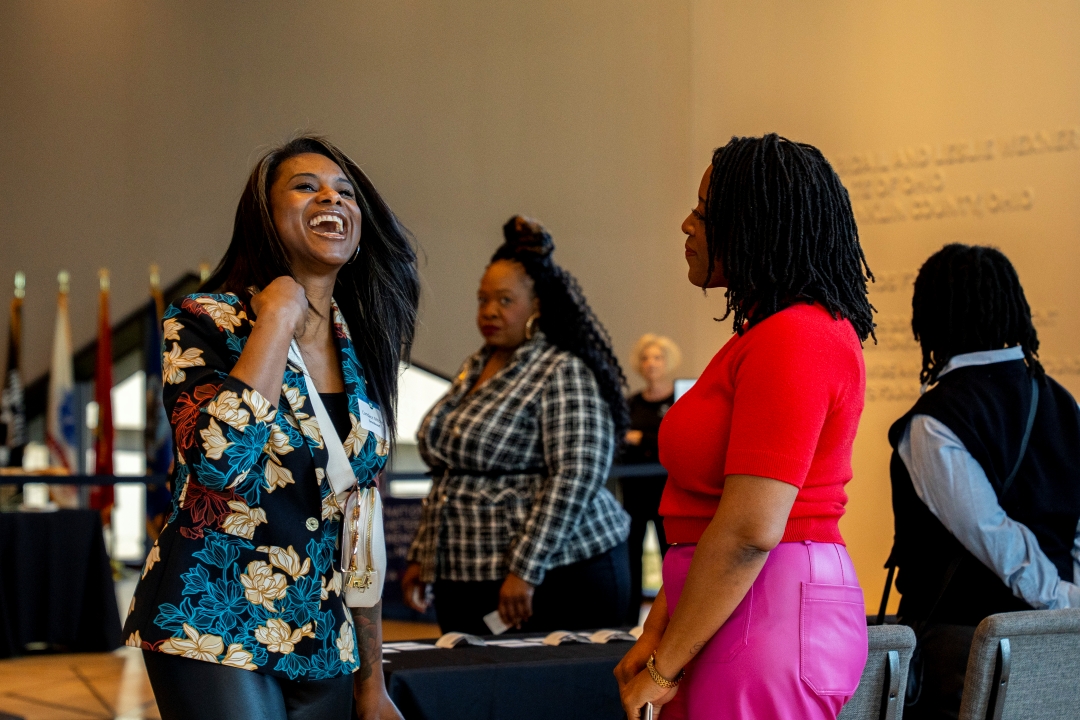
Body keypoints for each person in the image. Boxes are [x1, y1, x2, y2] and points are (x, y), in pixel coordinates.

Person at [122, 136, 419, 720]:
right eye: (306, 187)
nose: (331, 198)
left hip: (323, 637)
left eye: (345, 192)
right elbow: (220, 462)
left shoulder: (361, 342)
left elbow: (359, 523)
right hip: (213, 616)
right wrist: (278, 319)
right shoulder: (204, 320)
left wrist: (371, 682)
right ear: (265, 215)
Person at [616, 134, 874, 720]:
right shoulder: (769, 334)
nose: (687, 224)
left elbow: (750, 529)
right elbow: (712, 520)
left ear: (757, 224)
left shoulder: (797, 335)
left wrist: (663, 665)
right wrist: (660, 629)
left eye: (705, 213)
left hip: (767, 609)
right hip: (734, 606)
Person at [401, 215, 631, 635]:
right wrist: (424, 556)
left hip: (560, 572)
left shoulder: (562, 369)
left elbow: (576, 476)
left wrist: (525, 570)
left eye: (505, 300)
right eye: (482, 299)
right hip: (467, 571)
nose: (489, 311)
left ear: (537, 306)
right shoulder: (475, 365)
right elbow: (451, 475)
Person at [887, 244, 1080, 720]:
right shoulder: (1062, 401)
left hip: (966, 651)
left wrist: (1062, 606)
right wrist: (1068, 612)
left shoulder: (936, 419)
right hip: (1056, 643)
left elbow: (994, 534)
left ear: (930, 319)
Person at [621, 334, 680, 625]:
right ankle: (628, 622)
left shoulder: (678, 399)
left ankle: (673, 618)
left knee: (670, 554)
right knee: (632, 554)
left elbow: (676, 438)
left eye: (657, 357)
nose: (651, 363)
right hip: (634, 491)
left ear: (667, 362)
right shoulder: (631, 403)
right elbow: (620, 439)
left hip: (667, 490)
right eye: (646, 358)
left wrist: (642, 439)